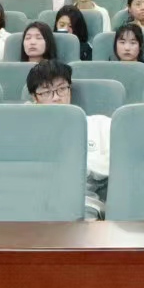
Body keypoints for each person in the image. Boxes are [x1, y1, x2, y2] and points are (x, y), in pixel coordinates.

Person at [27, 60, 110, 218]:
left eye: (61, 89)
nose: (56, 98)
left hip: (84, 206)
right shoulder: (28, 132)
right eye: (46, 92)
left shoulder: (100, 124)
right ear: (35, 98)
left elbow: (118, 169)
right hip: (35, 206)